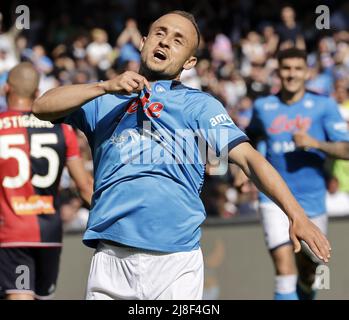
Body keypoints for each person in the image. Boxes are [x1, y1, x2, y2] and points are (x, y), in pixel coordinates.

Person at [33, 11, 331, 300]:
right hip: (110, 258)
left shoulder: (199, 106)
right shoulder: (105, 99)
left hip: (175, 262)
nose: (164, 42)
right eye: (160, 34)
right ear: (143, 41)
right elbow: (42, 107)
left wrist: (296, 215)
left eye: (177, 40)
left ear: (189, 61)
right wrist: (103, 86)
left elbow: (250, 160)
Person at [245, 47, 349, 300]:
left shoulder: (324, 106)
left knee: (309, 272)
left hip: (312, 200)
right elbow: (250, 138)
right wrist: (241, 171)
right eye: (286, 68)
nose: (291, 74)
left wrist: (317, 144)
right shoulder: (263, 106)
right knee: (284, 268)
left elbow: (346, 149)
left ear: (307, 73)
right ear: (278, 72)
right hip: (274, 200)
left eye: (297, 68)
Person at [0, 62, 93, 300]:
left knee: (19, 295)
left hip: (11, 233)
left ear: (6, 89)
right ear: (36, 92)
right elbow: (84, 187)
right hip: (49, 234)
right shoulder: (62, 130)